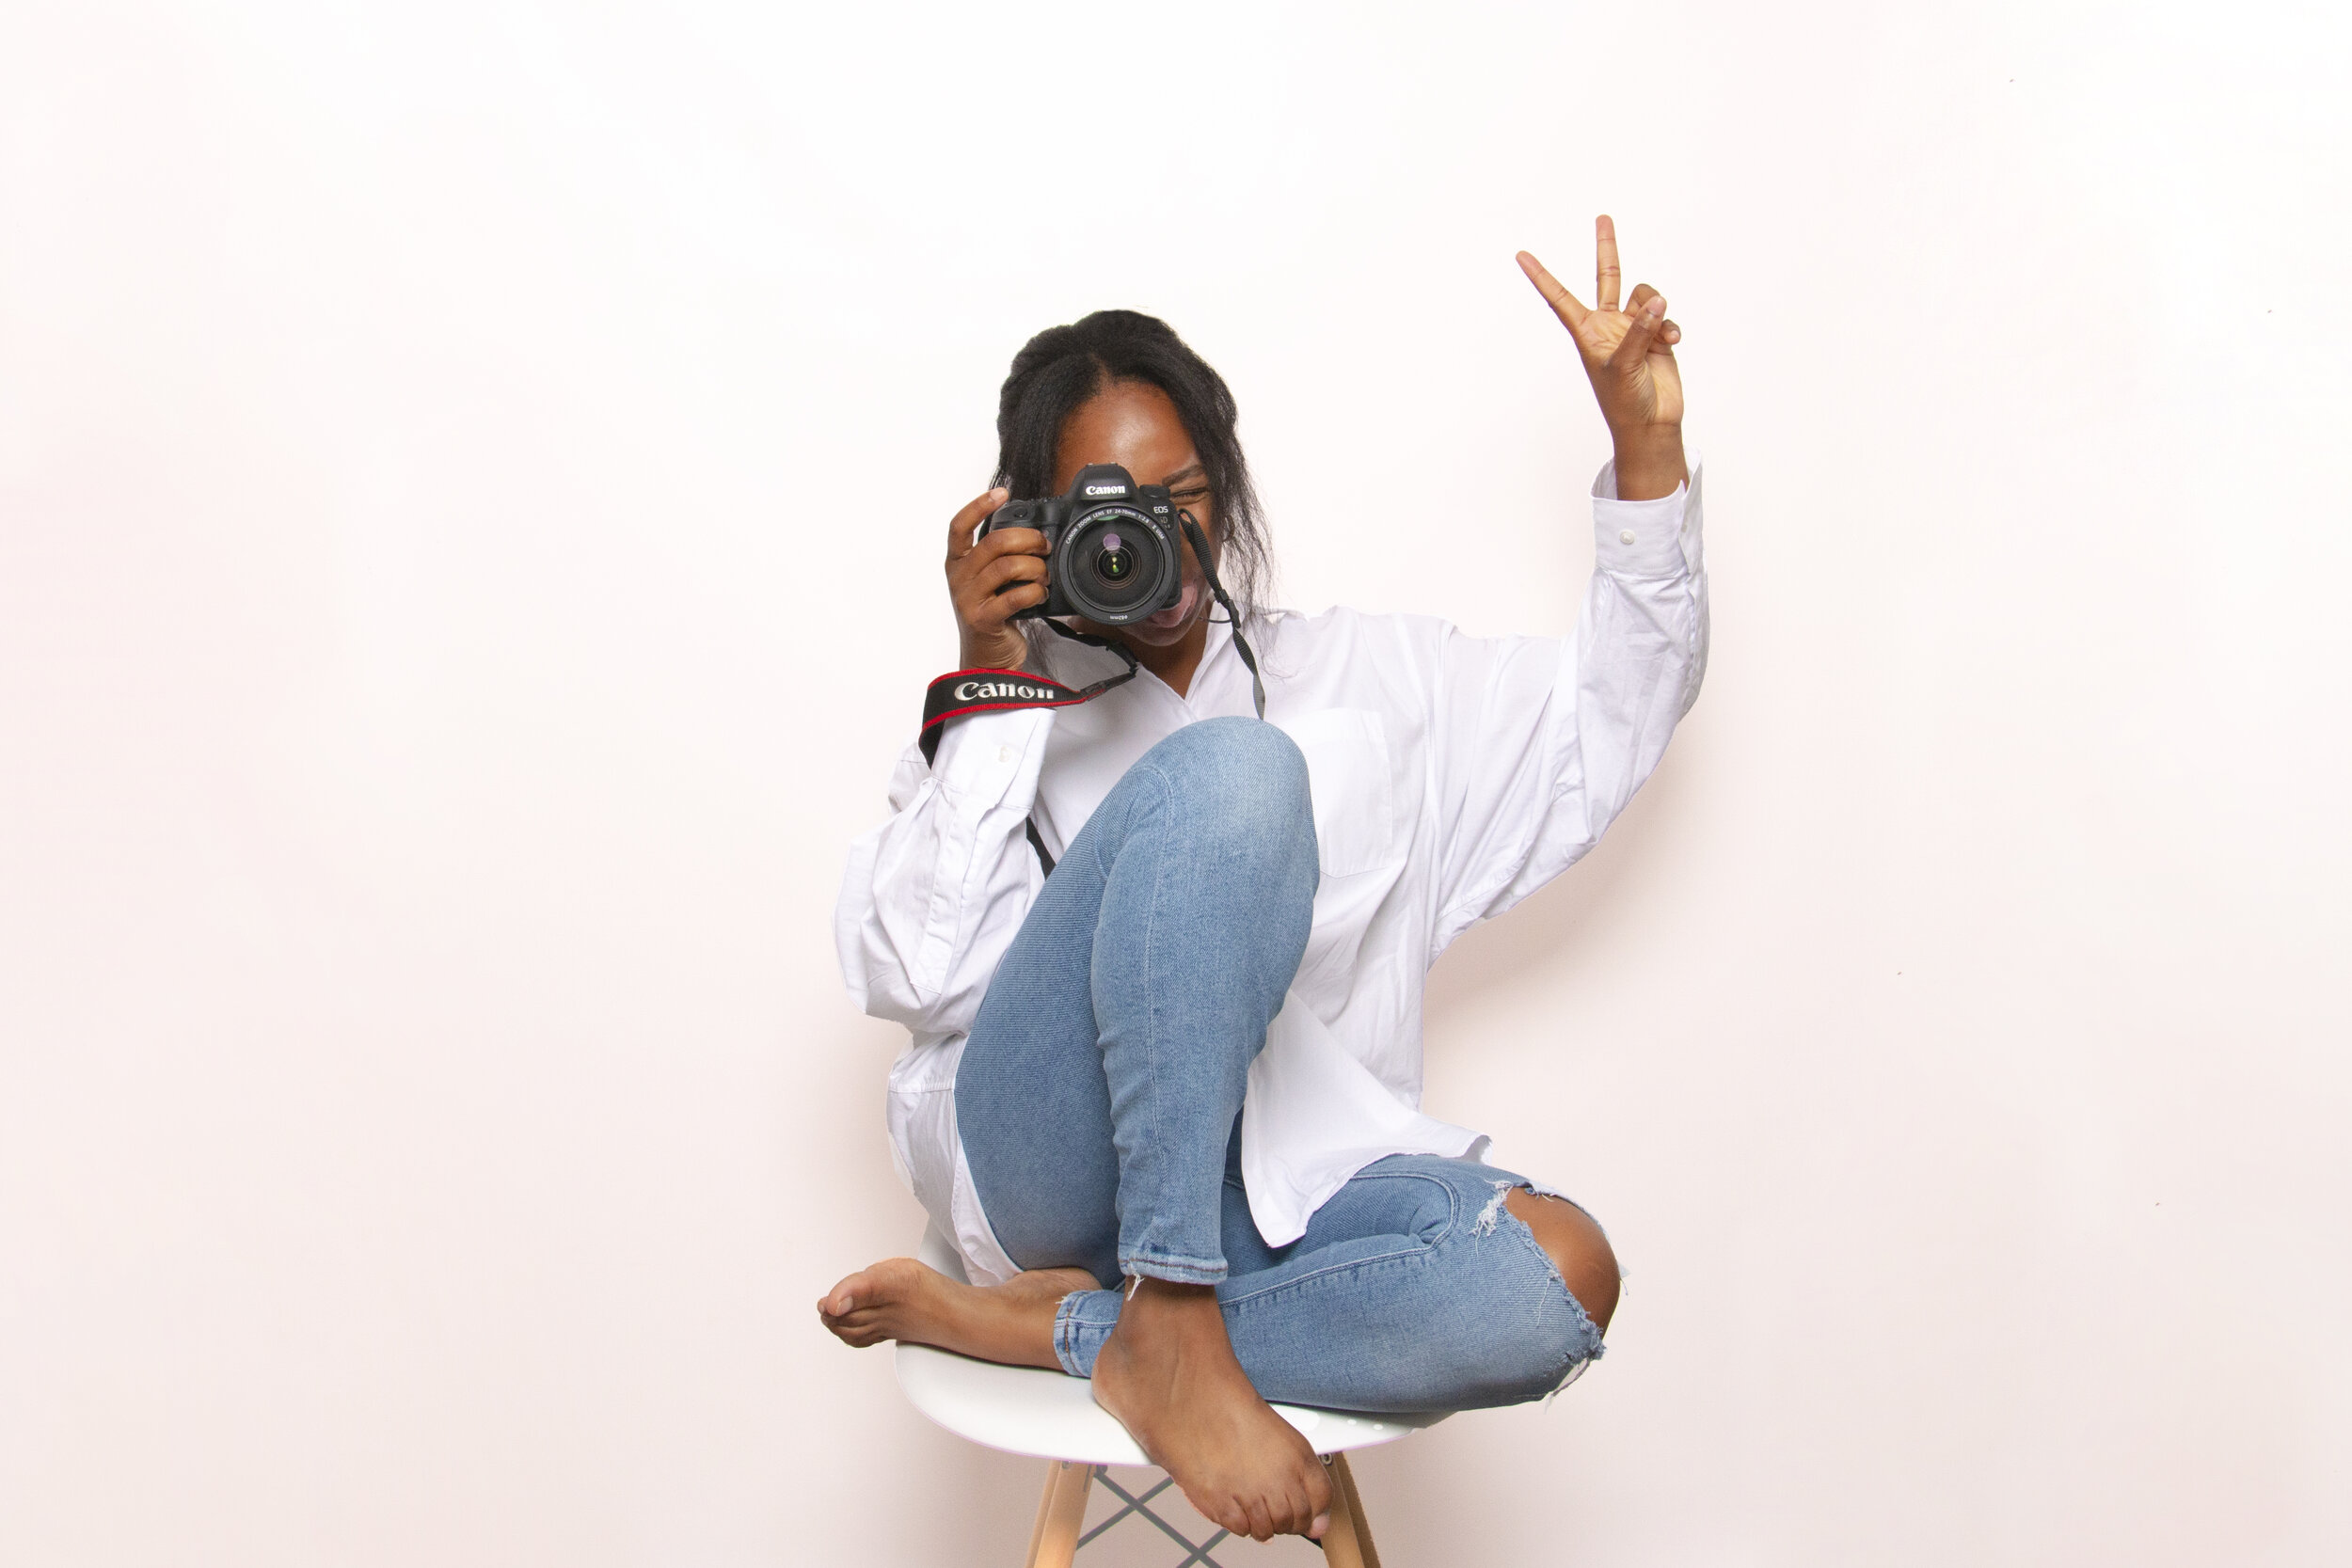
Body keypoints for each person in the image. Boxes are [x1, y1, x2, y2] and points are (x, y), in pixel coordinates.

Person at [822, 216, 1707, 1545]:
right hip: (1051, 1176)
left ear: (1223, 492)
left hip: (1278, 1197)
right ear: (1036, 525)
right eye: (1104, 514)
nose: (1150, 539)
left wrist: (1644, 448)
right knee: (1238, 776)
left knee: (1558, 1280)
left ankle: (1095, 1334)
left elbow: (1608, 719)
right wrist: (990, 677)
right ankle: (1163, 1318)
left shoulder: (1371, 680)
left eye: (1178, 497)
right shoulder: (1005, 714)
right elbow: (910, 978)